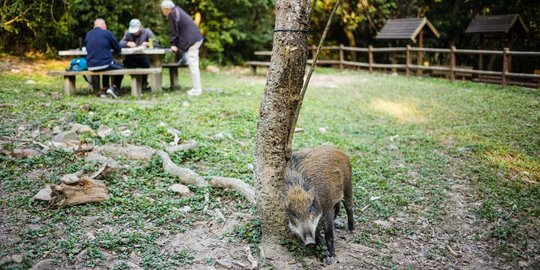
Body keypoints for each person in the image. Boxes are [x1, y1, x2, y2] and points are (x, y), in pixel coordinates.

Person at [160, 0, 204, 96]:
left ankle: (197, 89)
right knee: (191, 62)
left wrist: (173, 44)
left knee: (193, 63)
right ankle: (197, 87)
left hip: (193, 40)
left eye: (162, 10)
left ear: (167, 8)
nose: (162, 12)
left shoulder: (172, 13)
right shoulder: (177, 11)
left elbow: (174, 30)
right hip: (196, 38)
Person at [85, 18, 123, 98]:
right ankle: (114, 88)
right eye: (105, 25)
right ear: (103, 25)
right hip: (104, 64)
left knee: (107, 64)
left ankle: (104, 90)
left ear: (94, 26)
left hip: (90, 65)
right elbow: (118, 48)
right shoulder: (107, 33)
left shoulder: (88, 34)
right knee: (121, 67)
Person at [119, 19, 158, 90]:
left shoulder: (147, 32)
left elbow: (156, 44)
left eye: (136, 30)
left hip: (144, 57)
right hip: (132, 57)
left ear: (140, 27)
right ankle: (136, 82)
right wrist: (127, 43)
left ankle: (143, 82)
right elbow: (120, 43)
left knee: (146, 64)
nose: (134, 33)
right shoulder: (128, 33)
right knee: (126, 63)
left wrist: (148, 44)